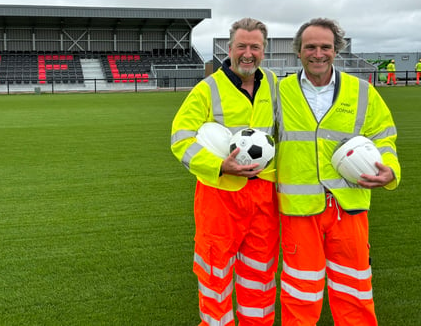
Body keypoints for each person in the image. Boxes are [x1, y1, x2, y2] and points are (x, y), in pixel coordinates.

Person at [275, 18, 401, 326]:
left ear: (337, 50)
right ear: (298, 51)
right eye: (310, 47)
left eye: (325, 47)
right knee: (300, 293)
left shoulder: (362, 92)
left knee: (354, 290)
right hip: (299, 210)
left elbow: (383, 136)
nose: (318, 54)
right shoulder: (279, 91)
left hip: (349, 207)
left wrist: (390, 170)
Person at [171, 18, 280, 326]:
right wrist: (219, 164)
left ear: (264, 50)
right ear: (229, 48)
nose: (248, 53)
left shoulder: (274, 83)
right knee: (215, 274)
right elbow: (180, 139)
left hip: (264, 195)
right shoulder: (207, 89)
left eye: (255, 47)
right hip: (219, 195)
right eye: (241, 46)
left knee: (260, 275)